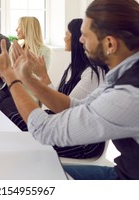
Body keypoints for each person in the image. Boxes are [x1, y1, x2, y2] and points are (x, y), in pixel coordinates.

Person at [0, 0, 139, 180]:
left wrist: (9, 74)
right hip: (128, 173)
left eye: (84, 35)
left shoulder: (132, 95)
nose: (80, 40)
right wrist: (27, 78)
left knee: (32, 174)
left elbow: (45, 131)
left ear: (110, 43)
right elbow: (77, 106)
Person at [8, 18, 108, 159]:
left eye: (67, 34)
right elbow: (61, 101)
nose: (64, 37)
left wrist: (35, 76)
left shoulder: (92, 72)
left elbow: (66, 110)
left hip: (83, 141)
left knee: (21, 124)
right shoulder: (73, 67)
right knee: (15, 118)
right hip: (69, 123)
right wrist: (41, 75)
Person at [0, 16, 52, 116]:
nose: (16, 29)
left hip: (27, 92)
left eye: (19, 26)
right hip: (9, 87)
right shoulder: (16, 47)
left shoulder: (44, 51)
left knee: (4, 107)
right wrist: (1, 71)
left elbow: (39, 77)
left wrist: (21, 67)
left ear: (27, 29)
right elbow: (10, 70)